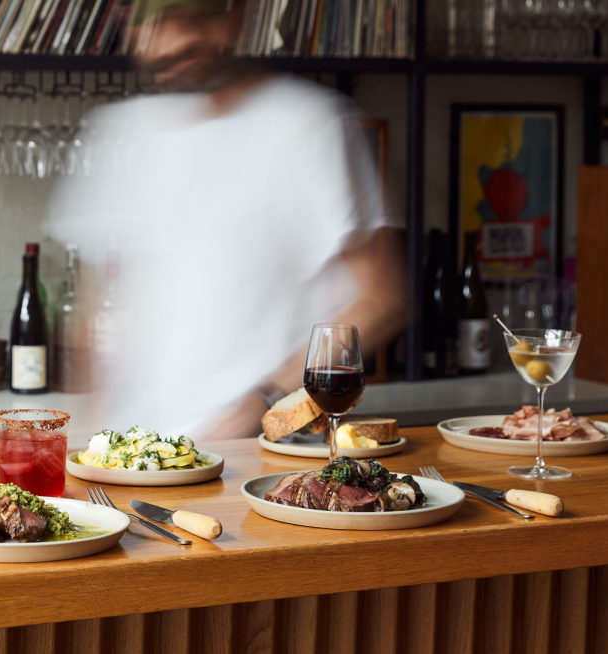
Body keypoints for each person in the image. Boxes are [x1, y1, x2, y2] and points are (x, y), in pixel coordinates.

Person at [44, 0, 408, 440]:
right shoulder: (114, 134)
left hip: (258, 455)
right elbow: (91, 320)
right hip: (132, 457)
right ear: (127, 24)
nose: (177, 40)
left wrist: (268, 404)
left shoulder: (310, 125)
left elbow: (381, 297)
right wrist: (89, 442)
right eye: (158, 24)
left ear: (238, 14)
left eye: (196, 18)